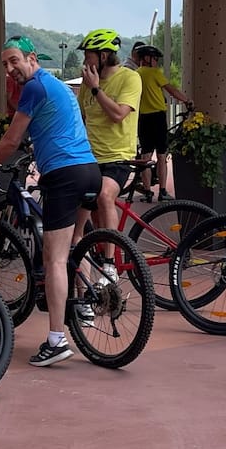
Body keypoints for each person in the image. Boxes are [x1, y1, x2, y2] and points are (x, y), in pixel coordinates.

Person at [0, 36, 101, 367]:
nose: (9, 69)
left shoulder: (34, 87)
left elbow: (11, 138)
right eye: (5, 64)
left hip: (64, 174)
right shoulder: (59, 86)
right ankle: (85, 306)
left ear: (32, 58)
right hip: (90, 170)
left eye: (14, 61)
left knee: (54, 259)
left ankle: (56, 340)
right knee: (77, 241)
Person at [72, 29, 142, 273]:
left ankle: (110, 263)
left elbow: (118, 114)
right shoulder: (87, 84)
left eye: (88, 56)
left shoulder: (129, 78)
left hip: (118, 157)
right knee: (86, 214)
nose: (84, 61)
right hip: (90, 158)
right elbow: (80, 118)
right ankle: (92, 273)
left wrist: (95, 89)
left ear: (103, 56)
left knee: (104, 196)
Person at [135, 44, 192, 202]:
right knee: (161, 154)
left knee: (145, 155)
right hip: (158, 117)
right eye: (155, 59)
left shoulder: (136, 74)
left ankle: (147, 192)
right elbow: (171, 89)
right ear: (147, 58)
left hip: (143, 118)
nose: (156, 62)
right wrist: (186, 100)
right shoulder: (154, 73)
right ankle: (162, 191)